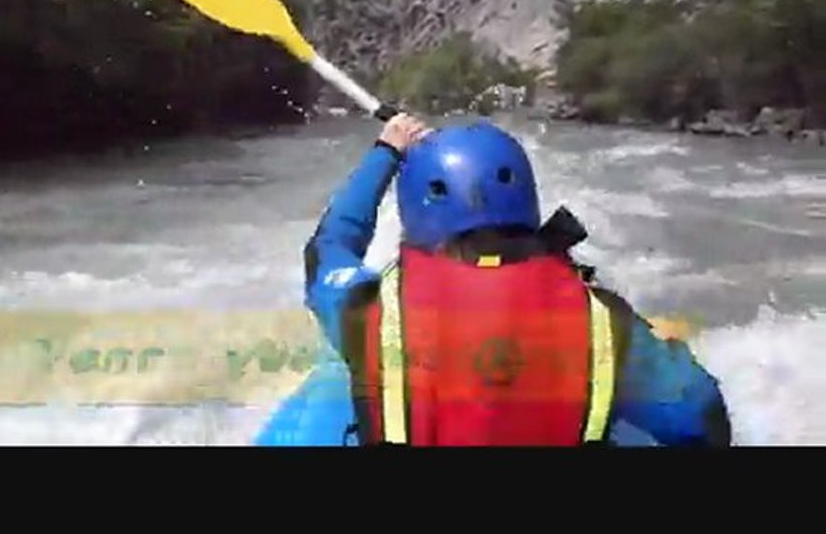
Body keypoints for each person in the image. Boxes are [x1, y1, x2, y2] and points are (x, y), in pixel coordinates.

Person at [255, 114, 731, 446]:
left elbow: (328, 248)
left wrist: (387, 150)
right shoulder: (605, 322)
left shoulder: (366, 313)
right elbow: (701, 419)